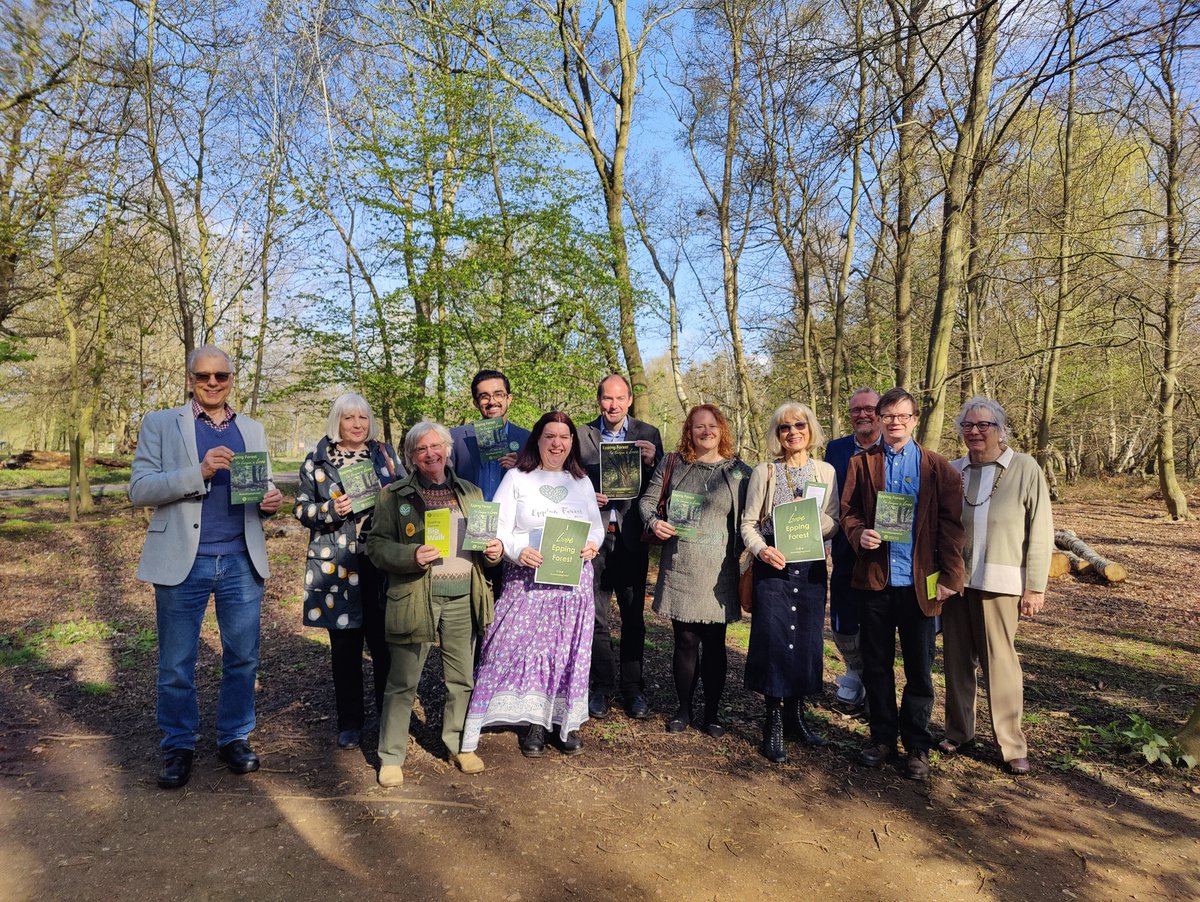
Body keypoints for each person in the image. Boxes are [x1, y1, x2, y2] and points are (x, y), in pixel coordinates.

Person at [129, 345, 284, 790]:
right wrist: (199, 471)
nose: (213, 383)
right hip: (183, 561)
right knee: (177, 662)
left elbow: (262, 487)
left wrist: (270, 502)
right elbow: (139, 489)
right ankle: (178, 744)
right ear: (190, 378)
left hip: (240, 559)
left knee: (243, 657)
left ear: (232, 378)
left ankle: (234, 738)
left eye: (221, 376)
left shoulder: (251, 429)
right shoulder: (161, 423)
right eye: (204, 376)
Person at [461, 412, 605, 758]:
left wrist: (593, 545)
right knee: (518, 649)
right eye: (549, 436)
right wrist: (516, 550)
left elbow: (596, 526)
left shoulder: (581, 482)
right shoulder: (517, 478)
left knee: (564, 652)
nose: (557, 443)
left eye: (565, 437)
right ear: (537, 441)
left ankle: (564, 723)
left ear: (572, 443)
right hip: (527, 581)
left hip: (572, 584)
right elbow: (498, 529)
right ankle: (533, 724)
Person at [366, 421, 502, 786]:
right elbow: (376, 547)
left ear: (447, 449)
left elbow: (487, 549)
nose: (430, 454)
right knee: (402, 681)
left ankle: (458, 744)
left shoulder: (471, 493)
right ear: (411, 456)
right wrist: (410, 555)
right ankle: (391, 756)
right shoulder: (393, 496)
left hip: (462, 598)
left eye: (436, 446)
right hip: (415, 598)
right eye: (421, 449)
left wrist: (495, 551)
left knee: (461, 679)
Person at [841, 387, 964, 781]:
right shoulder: (862, 464)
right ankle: (881, 738)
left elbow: (951, 528)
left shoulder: (937, 467)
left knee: (919, 670)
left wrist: (949, 577)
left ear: (914, 420)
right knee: (877, 666)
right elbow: (849, 513)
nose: (895, 421)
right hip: (875, 581)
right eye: (888, 415)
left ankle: (916, 745)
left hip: (920, 585)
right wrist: (859, 533)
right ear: (878, 419)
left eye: (902, 416)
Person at [941, 397, 1052, 776]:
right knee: (956, 660)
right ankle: (959, 731)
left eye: (983, 425)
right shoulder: (954, 470)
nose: (974, 431)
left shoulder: (1024, 468)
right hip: (956, 582)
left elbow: (1040, 530)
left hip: (1001, 582)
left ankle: (1011, 744)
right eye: (968, 426)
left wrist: (1035, 586)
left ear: (1000, 429)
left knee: (1000, 663)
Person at [293, 393, 404, 751]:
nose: (357, 424)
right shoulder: (318, 459)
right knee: (345, 647)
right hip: (336, 564)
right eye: (348, 418)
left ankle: (388, 719)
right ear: (336, 422)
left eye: (362, 418)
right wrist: (330, 508)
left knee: (384, 645)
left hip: (379, 559)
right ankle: (350, 722)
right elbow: (300, 509)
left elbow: (408, 493)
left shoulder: (384, 455)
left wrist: (392, 496)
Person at [640, 404, 751, 737]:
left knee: (715, 643)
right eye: (698, 427)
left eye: (712, 426)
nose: (706, 432)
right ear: (689, 431)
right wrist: (655, 521)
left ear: (722, 430)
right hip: (681, 566)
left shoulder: (738, 471)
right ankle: (684, 709)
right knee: (685, 640)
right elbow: (647, 500)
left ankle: (713, 714)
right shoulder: (674, 465)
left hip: (720, 571)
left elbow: (755, 512)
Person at [740, 402, 839, 763]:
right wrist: (763, 550)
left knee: (806, 642)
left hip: (811, 569)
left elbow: (835, 520)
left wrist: (812, 520)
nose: (793, 432)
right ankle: (774, 722)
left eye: (800, 425)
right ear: (777, 435)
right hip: (774, 569)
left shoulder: (826, 472)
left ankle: (797, 716)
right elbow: (748, 524)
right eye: (785, 428)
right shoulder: (764, 472)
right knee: (774, 642)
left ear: (810, 430)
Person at [578, 374, 664, 720]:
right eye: (606, 399)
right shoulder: (582, 434)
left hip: (630, 536)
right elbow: (568, 476)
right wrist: (586, 493)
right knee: (596, 616)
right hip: (593, 536)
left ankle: (633, 688)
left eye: (619, 399)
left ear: (629, 400)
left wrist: (653, 460)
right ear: (598, 400)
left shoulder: (648, 433)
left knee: (633, 617)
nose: (612, 406)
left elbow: (660, 483)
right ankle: (602, 686)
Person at [824, 388, 882, 709]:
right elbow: (825, 496)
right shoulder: (836, 448)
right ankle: (853, 669)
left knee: (875, 617)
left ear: (881, 412)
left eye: (869, 409)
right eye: (855, 410)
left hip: (882, 549)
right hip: (844, 546)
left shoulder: (893, 448)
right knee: (843, 616)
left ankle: (874, 679)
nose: (862, 415)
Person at [450, 369, 531, 502]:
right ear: (476, 403)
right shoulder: (456, 438)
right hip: (468, 519)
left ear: (509, 399)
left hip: (511, 519)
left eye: (498, 394)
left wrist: (520, 470)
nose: (492, 401)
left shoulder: (528, 439)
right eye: (484, 397)